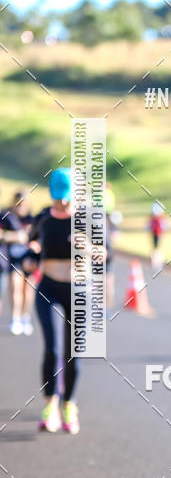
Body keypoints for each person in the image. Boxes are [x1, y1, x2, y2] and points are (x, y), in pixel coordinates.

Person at [29, 169, 80, 434]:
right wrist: (31, 255)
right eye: (58, 198)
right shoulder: (43, 218)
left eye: (67, 198)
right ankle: (50, 405)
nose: (62, 203)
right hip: (47, 286)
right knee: (52, 348)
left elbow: (105, 254)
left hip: (77, 290)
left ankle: (69, 405)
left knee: (73, 354)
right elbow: (32, 244)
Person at [2, 191, 36, 335]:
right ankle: (15, 318)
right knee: (15, 287)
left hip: (30, 258)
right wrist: (16, 236)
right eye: (18, 204)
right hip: (13, 258)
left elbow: (37, 237)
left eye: (23, 204)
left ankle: (25, 318)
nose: (21, 207)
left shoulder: (32, 218)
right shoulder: (6, 216)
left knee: (28, 290)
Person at [149, 202, 167, 270]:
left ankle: (157, 262)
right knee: (156, 248)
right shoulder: (155, 220)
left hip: (158, 234)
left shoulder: (159, 220)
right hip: (155, 234)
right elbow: (151, 227)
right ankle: (155, 262)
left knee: (157, 248)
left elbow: (163, 226)